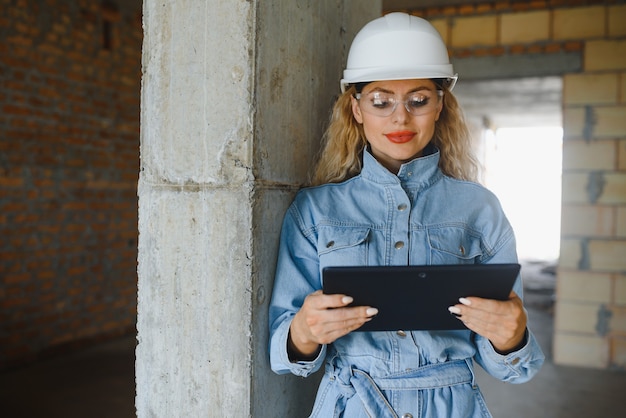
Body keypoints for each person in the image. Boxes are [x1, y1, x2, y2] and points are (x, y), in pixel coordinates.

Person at [268, 12, 544, 418]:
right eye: (381, 101)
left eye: (418, 100)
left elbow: (513, 366)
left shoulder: (480, 210)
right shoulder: (314, 212)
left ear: (440, 105)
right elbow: (283, 347)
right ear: (356, 108)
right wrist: (304, 332)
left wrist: (511, 336)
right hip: (352, 404)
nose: (400, 117)